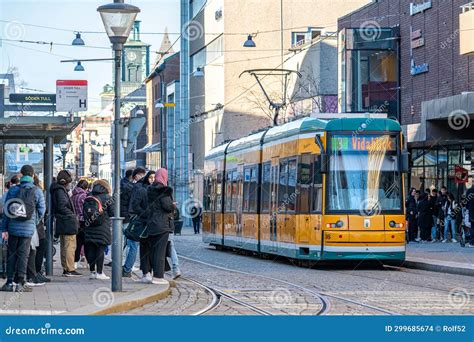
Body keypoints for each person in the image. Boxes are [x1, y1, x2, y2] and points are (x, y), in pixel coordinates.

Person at [0, 165, 46, 292]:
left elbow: (6, 210)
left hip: (13, 228)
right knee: (23, 255)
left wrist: (4, 228)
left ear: (21, 175)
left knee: (11, 254)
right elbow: (42, 210)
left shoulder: (13, 190)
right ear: (32, 175)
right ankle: (20, 283)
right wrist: (33, 221)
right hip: (28, 229)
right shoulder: (37, 191)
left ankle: (9, 283)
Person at [145, 168, 175, 285]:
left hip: (152, 224)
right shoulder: (163, 190)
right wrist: (173, 206)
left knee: (154, 250)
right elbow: (167, 206)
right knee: (160, 252)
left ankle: (155, 275)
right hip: (162, 224)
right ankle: (158, 276)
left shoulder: (150, 189)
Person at [50, 170, 81, 277]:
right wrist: (72, 215)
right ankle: (69, 268)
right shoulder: (60, 191)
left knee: (65, 245)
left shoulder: (58, 189)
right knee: (70, 246)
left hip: (63, 221)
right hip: (67, 221)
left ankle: (66, 268)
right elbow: (62, 206)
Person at [126, 170, 155, 278]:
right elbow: (135, 205)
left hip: (154, 224)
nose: (152, 180)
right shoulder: (141, 189)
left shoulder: (158, 190)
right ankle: (143, 271)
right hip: (142, 223)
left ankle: (150, 271)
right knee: (140, 247)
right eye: (150, 177)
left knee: (152, 249)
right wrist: (145, 213)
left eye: (154, 177)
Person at [83, 179, 113, 280]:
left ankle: (92, 272)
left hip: (89, 226)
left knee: (91, 248)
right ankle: (100, 272)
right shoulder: (108, 197)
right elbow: (113, 212)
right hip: (102, 227)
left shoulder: (89, 196)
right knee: (100, 248)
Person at [121, 167, 146, 273]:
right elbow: (133, 204)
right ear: (136, 176)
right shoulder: (136, 188)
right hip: (132, 219)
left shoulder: (128, 186)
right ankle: (127, 268)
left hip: (131, 218)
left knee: (130, 243)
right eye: (142, 175)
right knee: (132, 244)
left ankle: (126, 267)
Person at [71, 179, 89, 269]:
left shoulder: (73, 195)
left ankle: (75, 262)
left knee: (77, 242)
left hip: (75, 221)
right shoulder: (84, 196)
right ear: (86, 188)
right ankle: (89, 262)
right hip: (84, 221)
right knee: (87, 242)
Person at [466, 183, 474, 247]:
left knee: (472, 227)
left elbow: (466, 201)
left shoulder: (469, 190)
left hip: (472, 211)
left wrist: (467, 208)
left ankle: (472, 242)